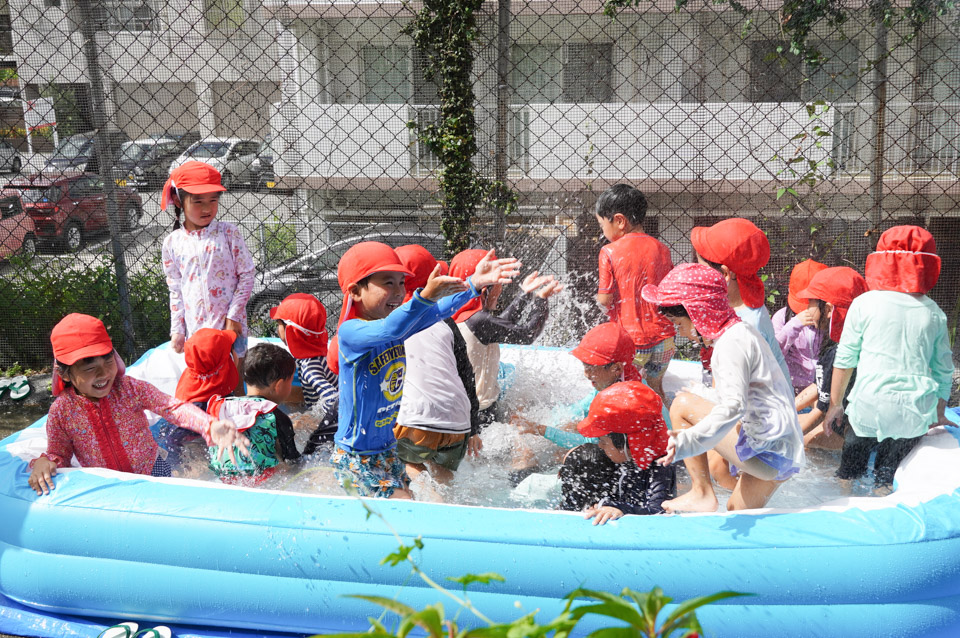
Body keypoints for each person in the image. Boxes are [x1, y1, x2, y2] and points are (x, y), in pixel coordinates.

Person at [332, 242, 519, 499]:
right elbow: (392, 330)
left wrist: (473, 284)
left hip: (387, 450)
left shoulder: (397, 323)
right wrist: (424, 297)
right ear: (355, 291)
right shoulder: (351, 332)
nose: (399, 291)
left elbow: (439, 312)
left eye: (402, 283)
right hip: (356, 455)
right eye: (388, 283)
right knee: (406, 509)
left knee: (413, 508)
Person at [642, 264, 804, 512]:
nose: (680, 332)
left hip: (765, 451)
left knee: (682, 404)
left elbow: (732, 406)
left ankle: (701, 493)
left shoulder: (731, 343)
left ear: (697, 312)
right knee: (738, 512)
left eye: (678, 323)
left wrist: (689, 440)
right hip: (783, 451)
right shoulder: (742, 331)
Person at [28, 314, 248, 495]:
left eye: (107, 359)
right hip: (106, 485)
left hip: (152, 470)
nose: (104, 372)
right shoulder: (62, 412)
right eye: (89, 367)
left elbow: (171, 407)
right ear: (65, 373)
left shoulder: (129, 389)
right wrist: (45, 462)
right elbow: (60, 454)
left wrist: (208, 425)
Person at [824, 226, 954, 490]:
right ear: (928, 267)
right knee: (886, 475)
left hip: (869, 406)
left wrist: (834, 405)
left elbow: (846, 359)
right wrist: (938, 411)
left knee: (847, 473)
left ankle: (844, 490)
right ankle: (883, 488)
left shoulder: (865, 303)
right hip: (914, 410)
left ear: (881, 261)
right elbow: (943, 370)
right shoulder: (934, 312)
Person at [160, 161, 256, 391]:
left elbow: (247, 275)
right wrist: (178, 330)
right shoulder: (172, 243)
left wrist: (233, 316)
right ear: (178, 200)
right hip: (199, 333)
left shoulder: (228, 233)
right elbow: (175, 289)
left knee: (235, 382)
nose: (207, 208)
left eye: (213, 200)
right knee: (206, 387)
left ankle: (242, 423)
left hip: (230, 328)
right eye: (198, 201)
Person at [393, 244, 481, 485]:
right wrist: (474, 427)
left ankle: (429, 499)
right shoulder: (446, 320)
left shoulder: (392, 321)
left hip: (419, 416)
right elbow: (466, 373)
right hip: (459, 418)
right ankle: (447, 507)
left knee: (410, 463)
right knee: (442, 472)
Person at [451, 248, 562, 425]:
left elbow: (498, 327)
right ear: (485, 289)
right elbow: (526, 334)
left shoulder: (456, 315)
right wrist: (540, 299)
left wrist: (524, 294)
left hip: (462, 413)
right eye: (498, 283)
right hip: (480, 416)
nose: (501, 289)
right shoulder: (479, 321)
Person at [594, 184, 676, 397]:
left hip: (632, 343)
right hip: (664, 339)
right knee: (656, 390)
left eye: (602, 224)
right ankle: (667, 426)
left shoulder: (609, 251)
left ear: (619, 221)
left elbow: (604, 299)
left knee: (622, 394)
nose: (602, 231)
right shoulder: (662, 249)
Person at [690, 217, 792, 385]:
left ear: (724, 275)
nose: (697, 272)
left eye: (701, 266)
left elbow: (739, 397)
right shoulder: (736, 304)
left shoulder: (746, 327)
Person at [559, 381, 675, 524]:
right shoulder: (625, 456)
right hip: (618, 495)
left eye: (603, 441)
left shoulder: (660, 466)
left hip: (641, 525)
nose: (600, 446)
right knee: (579, 458)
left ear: (628, 442)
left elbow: (659, 511)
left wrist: (621, 509)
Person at [789, 267, 867, 450]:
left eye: (811, 302)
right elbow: (818, 386)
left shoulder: (840, 353)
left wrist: (788, 442)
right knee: (791, 427)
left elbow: (821, 409)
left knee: (803, 446)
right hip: (846, 427)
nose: (807, 308)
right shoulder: (844, 343)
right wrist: (787, 410)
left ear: (829, 309)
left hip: (851, 436)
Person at [206, 343, 302, 483]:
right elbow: (293, 462)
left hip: (221, 477)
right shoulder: (276, 416)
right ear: (279, 385)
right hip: (262, 481)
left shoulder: (223, 407)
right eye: (291, 381)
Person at [150, 327, 240, 468]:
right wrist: (179, 470)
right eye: (231, 351)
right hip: (171, 439)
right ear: (223, 364)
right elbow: (169, 440)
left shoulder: (200, 377)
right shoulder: (193, 408)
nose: (237, 354)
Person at [270, 293, 339, 454]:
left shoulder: (309, 367)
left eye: (279, 324)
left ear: (290, 331)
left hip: (330, 426)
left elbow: (334, 399)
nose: (277, 329)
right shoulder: (318, 354)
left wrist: (311, 420)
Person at [772, 259, 828, 395]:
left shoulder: (832, 317)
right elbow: (772, 354)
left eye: (811, 304)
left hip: (823, 388)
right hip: (792, 388)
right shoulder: (782, 317)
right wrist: (793, 326)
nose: (805, 311)